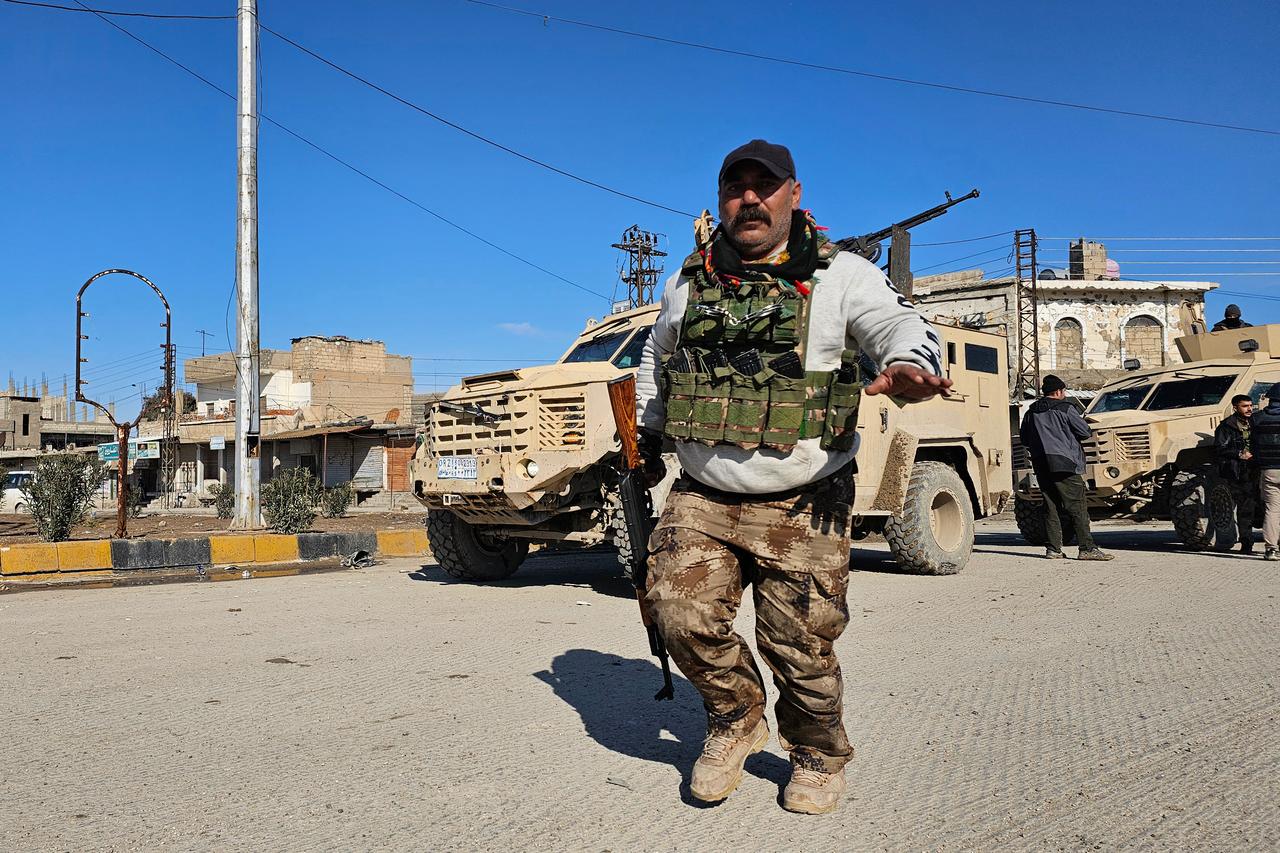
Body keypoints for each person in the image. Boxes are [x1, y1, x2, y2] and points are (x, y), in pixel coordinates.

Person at [634, 139, 951, 815]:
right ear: (721, 199)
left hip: (804, 497)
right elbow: (656, 359)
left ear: (794, 194)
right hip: (703, 491)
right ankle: (736, 718)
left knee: (800, 644)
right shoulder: (687, 282)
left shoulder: (842, 275)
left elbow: (899, 325)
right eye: (736, 186)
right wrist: (645, 432)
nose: (749, 198)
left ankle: (816, 754)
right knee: (676, 612)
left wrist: (912, 364)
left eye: (765, 185)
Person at [1018, 375, 1113, 561]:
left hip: (1041, 464)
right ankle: (1087, 548)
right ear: (1058, 391)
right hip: (1065, 463)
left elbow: (1025, 439)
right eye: (1063, 391)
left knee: (1050, 506)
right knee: (1077, 506)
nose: (1065, 394)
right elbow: (1085, 432)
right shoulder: (1066, 408)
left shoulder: (1031, 412)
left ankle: (1053, 549)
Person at [1213, 394, 1256, 553]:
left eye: (1250, 405)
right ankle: (1246, 543)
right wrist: (1238, 454)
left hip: (1257, 469)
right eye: (1245, 406)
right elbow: (1220, 449)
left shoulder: (1256, 422)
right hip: (1239, 472)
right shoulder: (1226, 426)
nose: (1249, 409)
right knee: (1245, 509)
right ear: (1235, 407)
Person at [1248, 382, 1280, 560]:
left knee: (1272, 510)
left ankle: (1271, 549)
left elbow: (1253, 445)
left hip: (1269, 470)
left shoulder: (1257, 418)